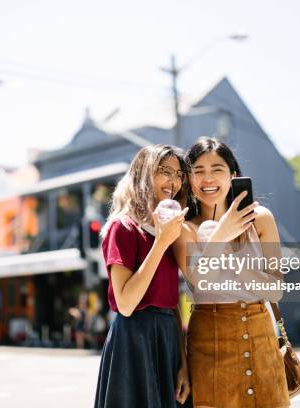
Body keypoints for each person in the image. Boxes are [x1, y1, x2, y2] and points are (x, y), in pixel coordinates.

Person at [172, 137, 289, 408]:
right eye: (198, 170)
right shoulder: (184, 228)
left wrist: (232, 250)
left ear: (233, 175)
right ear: (189, 180)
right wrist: (222, 234)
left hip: (260, 333)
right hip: (210, 338)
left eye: (217, 169)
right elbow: (200, 280)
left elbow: (275, 290)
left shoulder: (260, 218)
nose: (207, 178)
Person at [94, 144, 192, 408]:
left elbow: (172, 303)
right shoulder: (122, 227)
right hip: (133, 341)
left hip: (168, 339)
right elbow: (125, 304)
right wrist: (161, 243)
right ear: (143, 173)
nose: (174, 181)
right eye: (164, 171)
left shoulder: (167, 231)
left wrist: (183, 362)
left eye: (179, 174)